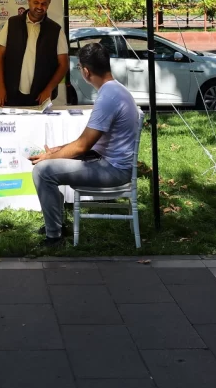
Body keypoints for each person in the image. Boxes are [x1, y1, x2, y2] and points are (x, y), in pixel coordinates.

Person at [30, 42, 140, 246]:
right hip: (109, 162)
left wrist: (49, 157)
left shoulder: (108, 97)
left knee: (43, 171)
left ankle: (54, 236)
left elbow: (83, 146)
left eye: (79, 67)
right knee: (49, 165)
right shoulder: (115, 90)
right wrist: (58, 150)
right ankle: (55, 223)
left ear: (86, 71)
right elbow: (86, 143)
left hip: (113, 170)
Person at [0, 0, 69, 107]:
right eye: (36, 2)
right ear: (28, 1)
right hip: (10, 95)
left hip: (40, 98)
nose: (39, 7)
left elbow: (64, 64)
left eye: (44, 4)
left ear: (49, 4)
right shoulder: (12, 24)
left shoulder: (56, 30)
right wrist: (1, 87)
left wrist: (49, 89)